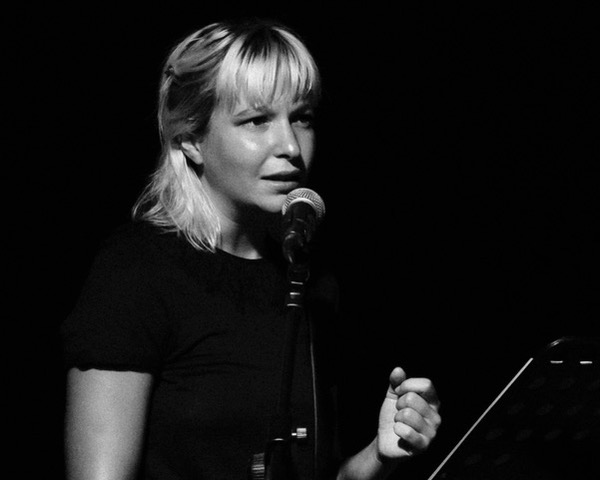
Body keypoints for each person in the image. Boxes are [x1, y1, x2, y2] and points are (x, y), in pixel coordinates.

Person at [61, 18, 441, 480]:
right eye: (257, 121)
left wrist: (378, 457)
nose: (291, 146)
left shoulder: (308, 279)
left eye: (301, 118)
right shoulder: (137, 270)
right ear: (191, 139)